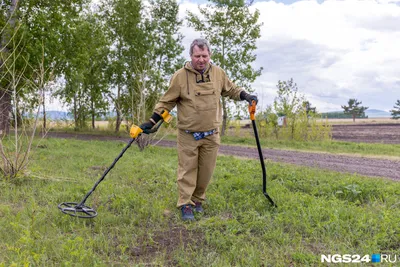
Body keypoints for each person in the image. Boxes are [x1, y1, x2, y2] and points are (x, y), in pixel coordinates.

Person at [140, 38, 258, 221]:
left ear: (209, 55)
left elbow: (232, 89)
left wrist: (246, 96)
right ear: (191, 56)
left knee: (206, 171)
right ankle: (185, 204)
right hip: (188, 134)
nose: (201, 60)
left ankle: (197, 200)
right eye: (197, 56)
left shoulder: (218, 73)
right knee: (187, 170)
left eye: (204, 56)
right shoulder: (180, 76)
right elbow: (167, 101)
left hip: (212, 134)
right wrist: (152, 120)